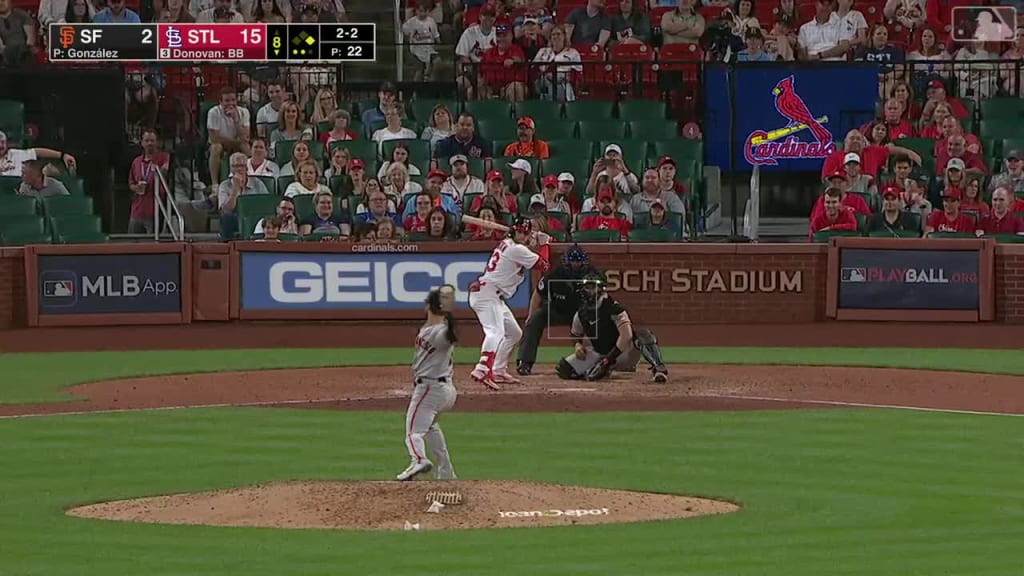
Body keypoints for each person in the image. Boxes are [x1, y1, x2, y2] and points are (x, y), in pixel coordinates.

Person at [469, 216, 551, 389]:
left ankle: (498, 370)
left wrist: (533, 240)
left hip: (493, 296)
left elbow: (527, 251)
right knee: (495, 332)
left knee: (514, 333)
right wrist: (544, 244)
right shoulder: (517, 249)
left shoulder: (510, 244)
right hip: (488, 294)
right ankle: (483, 368)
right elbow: (543, 265)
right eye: (523, 233)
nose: (525, 236)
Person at [397, 284, 460, 482]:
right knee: (430, 425)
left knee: (413, 432)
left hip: (430, 390)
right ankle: (446, 472)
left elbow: (450, 336)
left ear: (427, 306)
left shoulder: (440, 332)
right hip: (446, 390)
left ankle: (418, 459)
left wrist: (450, 319)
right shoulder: (430, 329)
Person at [556, 274, 669, 383]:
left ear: (601, 289)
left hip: (624, 354)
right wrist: (578, 345)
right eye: (587, 287)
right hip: (600, 354)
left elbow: (626, 336)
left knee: (644, 334)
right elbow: (575, 335)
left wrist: (607, 361)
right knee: (564, 369)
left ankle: (658, 368)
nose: (589, 291)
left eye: (592, 287)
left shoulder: (614, 308)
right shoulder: (581, 314)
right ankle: (596, 371)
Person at [516, 244, 604, 376]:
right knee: (535, 320)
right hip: (557, 310)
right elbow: (538, 293)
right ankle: (524, 362)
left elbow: (602, 297)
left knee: (600, 324)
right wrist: (530, 315)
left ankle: (601, 363)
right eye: (572, 261)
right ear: (566, 261)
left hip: (582, 313)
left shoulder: (593, 274)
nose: (575, 264)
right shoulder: (555, 273)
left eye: (578, 261)